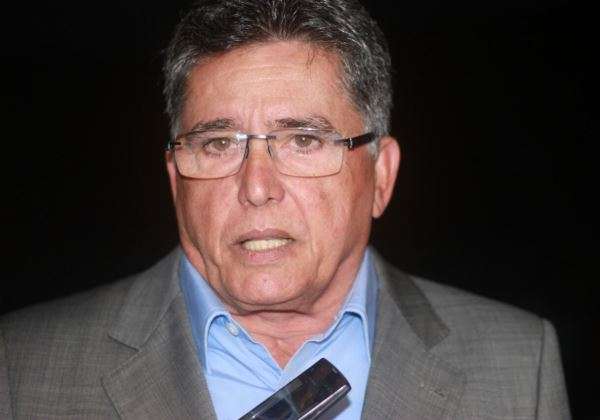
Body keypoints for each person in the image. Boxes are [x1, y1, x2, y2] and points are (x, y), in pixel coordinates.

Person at [0, 0, 570, 418]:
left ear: (381, 176)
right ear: (175, 180)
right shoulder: (23, 370)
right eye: (217, 144)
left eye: (303, 140)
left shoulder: (519, 367)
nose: (256, 187)